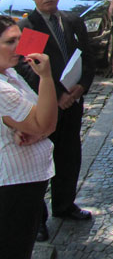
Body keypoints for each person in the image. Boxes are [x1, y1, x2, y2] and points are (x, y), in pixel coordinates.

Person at [17, 0, 95, 239]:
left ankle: (64, 204)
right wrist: (57, 94)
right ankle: (38, 219)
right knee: (40, 162)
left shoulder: (72, 21)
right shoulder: (31, 26)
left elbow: (88, 57)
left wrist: (80, 88)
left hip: (72, 104)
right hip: (46, 106)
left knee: (69, 157)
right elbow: (28, 69)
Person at [0, 17, 57, 259]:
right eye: (9, 41)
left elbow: (44, 122)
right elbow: (46, 120)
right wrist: (46, 77)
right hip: (13, 185)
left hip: (26, 180)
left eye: (19, 40)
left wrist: (38, 132)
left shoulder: (11, 73)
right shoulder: (3, 88)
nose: (18, 47)